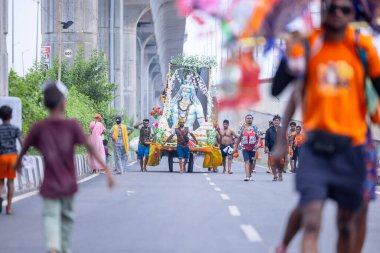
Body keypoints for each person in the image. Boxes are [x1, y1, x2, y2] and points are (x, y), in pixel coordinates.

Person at [272, 1, 380, 252]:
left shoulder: (362, 47)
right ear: (322, 10)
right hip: (315, 149)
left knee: (346, 225)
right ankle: (284, 244)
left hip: (352, 149)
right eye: (332, 8)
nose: (338, 15)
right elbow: (280, 89)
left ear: (353, 14)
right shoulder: (308, 44)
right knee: (311, 219)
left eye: (345, 10)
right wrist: (288, 53)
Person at [14, 80, 115, 253]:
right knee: (67, 218)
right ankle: (63, 248)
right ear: (63, 103)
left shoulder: (39, 127)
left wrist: (16, 165)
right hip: (68, 184)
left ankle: (53, 246)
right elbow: (91, 147)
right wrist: (107, 172)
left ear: (45, 103)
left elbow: (23, 149)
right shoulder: (72, 126)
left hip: (49, 185)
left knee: (50, 216)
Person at [0, 105, 23, 215]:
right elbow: (22, 143)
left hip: (1, 157)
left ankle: (0, 197)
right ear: (11, 116)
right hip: (12, 157)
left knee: (0, 182)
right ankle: (9, 208)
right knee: (10, 182)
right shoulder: (15, 129)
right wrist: (23, 155)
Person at [233, 114, 259, 181]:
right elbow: (239, 138)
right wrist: (236, 146)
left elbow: (258, 138)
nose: (249, 119)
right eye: (248, 118)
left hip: (253, 147)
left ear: (252, 119)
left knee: (251, 162)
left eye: (250, 118)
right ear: (245, 119)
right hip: (244, 147)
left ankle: (250, 175)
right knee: (246, 161)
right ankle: (247, 176)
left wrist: (257, 144)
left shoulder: (255, 128)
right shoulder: (242, 128)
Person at [265, 115, 284, 182]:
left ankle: (280, 174)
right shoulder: (269, 130)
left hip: (280, 149)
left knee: (281, 163)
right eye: (275, 120)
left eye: (277, 120)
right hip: (271, 148)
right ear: (273, 121)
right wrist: (266, 147)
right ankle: (275, 176)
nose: (276, 122)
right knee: (272, 163)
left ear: (279, 122)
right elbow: (266, 139)